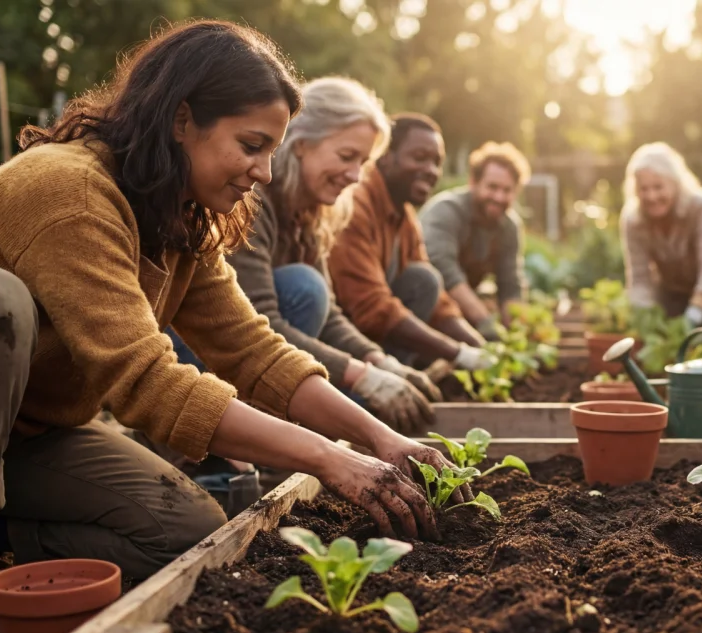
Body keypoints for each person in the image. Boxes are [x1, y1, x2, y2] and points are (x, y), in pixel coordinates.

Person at [0, 22, 462, 633]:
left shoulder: (180, 215)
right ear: (182, 119)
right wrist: (330, 460)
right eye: (251, 145)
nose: (264, 172)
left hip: (24, 439)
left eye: (272, 151)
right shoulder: (69, 190)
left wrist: (380, 438)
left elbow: (253, 350)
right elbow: (148, 382)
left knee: (185, 534)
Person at [222, 76, 440, 434]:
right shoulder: (252, 199)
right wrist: (362, 375)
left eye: (363, 163)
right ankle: (237, 435)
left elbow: (330, 319)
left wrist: (379, 361)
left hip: (264, 356)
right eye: (346, 157)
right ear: (302, 144)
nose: (355, 176)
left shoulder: (312, 211)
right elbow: (259, 321)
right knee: (305, 286)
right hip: (210, 353)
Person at [328, 113, 492, 369]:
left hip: (368, 329)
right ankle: (378, 378)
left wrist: (479, 346)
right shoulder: (355, 205)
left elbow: (438, 304)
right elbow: (370, 305)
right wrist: (457, 353)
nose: (431, 171)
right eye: (419, 157)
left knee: (424, 280)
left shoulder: (404, 216)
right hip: (338, 340)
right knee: (423, 281)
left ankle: (399, 371)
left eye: (436, 162)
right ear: (385, 155)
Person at [620, 142, 702, 330]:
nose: (651, 196)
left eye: (658, 187)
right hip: (673, 289)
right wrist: (645, 317)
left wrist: (694, 315)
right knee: (666, 337)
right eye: (643, 189)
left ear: (675, 183)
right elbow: (639, 278)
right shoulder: (633, 219)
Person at [422, 141, 530, 341]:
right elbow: (444, 271)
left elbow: (510, 283)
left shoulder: (509, 226)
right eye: (492, 187)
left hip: (460, 310)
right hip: (422, 304)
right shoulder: (446, 212)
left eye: (507, 190)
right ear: (473, 182)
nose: (499, 197)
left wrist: (516, 332)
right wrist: (485, 321)